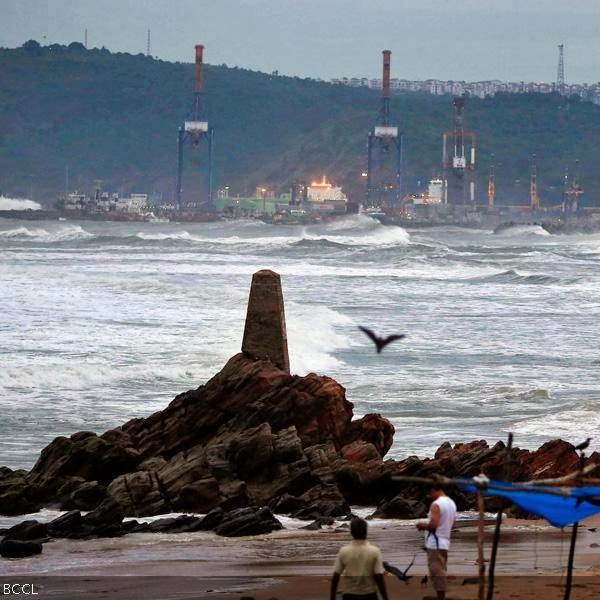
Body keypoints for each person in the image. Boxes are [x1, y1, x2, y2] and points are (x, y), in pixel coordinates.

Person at [330, 517, 389, 600]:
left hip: (349, 595)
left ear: (351, 532)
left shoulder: (344, 551)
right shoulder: (374, 551)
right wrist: (385, 598)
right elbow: (378, 577)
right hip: (369, 595)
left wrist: (332, 598)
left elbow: (335, 577)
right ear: (366, 531)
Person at [416, 483, 457, 600]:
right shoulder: (451, 503)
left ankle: (441, 597)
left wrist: (421, 525)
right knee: (442, 569)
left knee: (436, 572)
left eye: (430, 493)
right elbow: (451, 523)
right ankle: (441, 596)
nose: (429, 496)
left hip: (435, 544)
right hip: (444, 542)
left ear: (434, 490)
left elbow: (433, 525)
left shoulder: (436, 504)